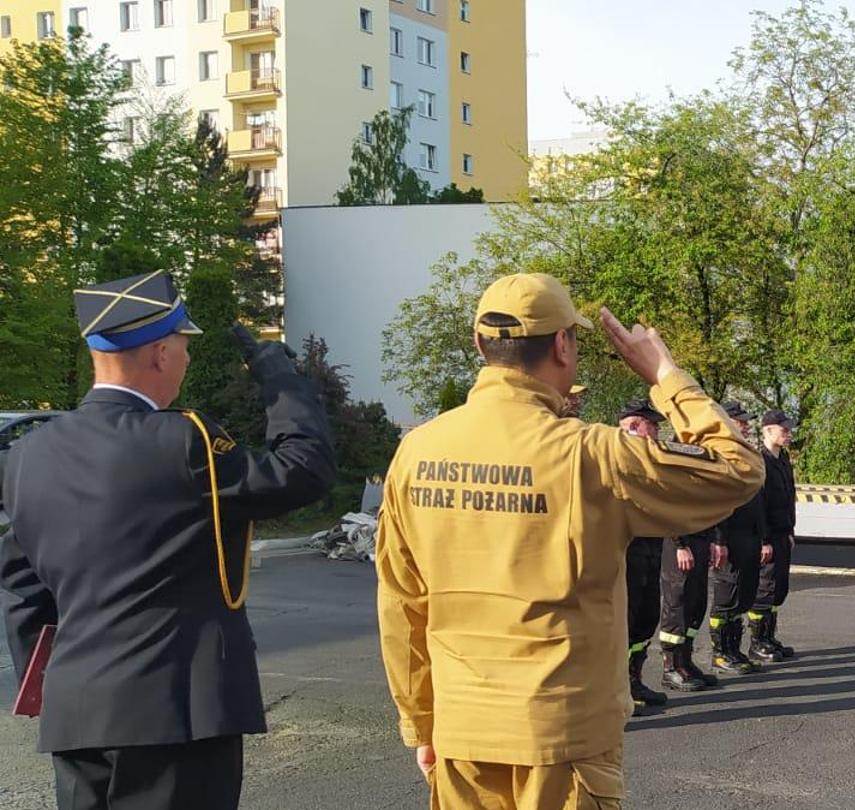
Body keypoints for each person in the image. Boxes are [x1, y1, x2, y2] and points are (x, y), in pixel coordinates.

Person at [375, 272, 765, 810]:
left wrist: (421, 723)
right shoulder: (592, 454)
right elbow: (738, 469)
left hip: (462, 736)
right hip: (562, 738)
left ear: (480, 345)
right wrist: (664, 374)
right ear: (562, 344)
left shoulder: (417, 451)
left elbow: (401, 603)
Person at [1, 270, 337, 810]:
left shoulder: (27, 455)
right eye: (183, 345)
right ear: (159, 354)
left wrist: (49, 685)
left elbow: (22, 587)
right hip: (175, 714)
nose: (186, 357)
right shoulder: (184, 441)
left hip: (77, 715)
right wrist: (282, 380)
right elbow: (302, 471)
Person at [708, 401, 772, 676]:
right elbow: (716, 502)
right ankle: (720, 653)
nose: (746, 426)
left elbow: (759, 502)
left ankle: (734, 650)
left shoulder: (745, 453)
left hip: (749, 538)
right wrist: (718, 540)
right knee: (727, 596)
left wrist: (762, 538)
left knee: (743, 597)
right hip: (729, 539)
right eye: (741, 421)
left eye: (746, 422)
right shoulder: (718, 452)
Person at [617, 400, 672, 711]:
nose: (657, 430)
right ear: (634, 425)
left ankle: (633, 679)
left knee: (646, 618)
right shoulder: (616, 456)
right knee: (623, 622)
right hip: (625, 550)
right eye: (652, 424)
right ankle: (616, 690)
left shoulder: (652, 459)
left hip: (651, 548)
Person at [748, 409, 799, 663]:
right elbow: (760, 506)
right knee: (765, 589)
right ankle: (757, 642)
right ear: (768, 430)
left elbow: (788, 500)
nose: (788, 434)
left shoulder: (783, 460)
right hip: (768, 538)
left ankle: (769, 637)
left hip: (783, 534)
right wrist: (764, 540)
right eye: (784, 429)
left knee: (779, 589)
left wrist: (790, 531)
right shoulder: (761, 461)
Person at [657, 525, 727, 692]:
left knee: (695, 604)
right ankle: (671, 668)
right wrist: (680, 545)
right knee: (677, 605)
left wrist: (713, 540)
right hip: (681, 542)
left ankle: (685, 663)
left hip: (700, 539)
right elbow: (673, 514)